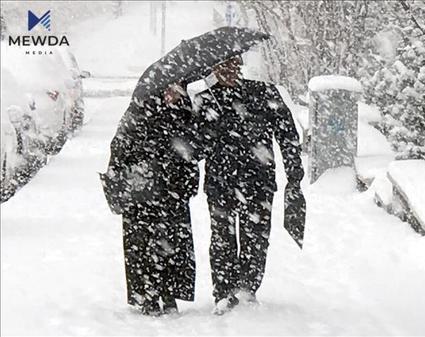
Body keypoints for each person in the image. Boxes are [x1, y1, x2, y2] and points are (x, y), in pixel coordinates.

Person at [194, 55, 304, 315]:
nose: (229, 72)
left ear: (240, 67)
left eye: (233, 66)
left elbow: (287, 133)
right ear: (213, 70)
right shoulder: (205, 99)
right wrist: (212, 126)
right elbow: (195, 147)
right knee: (222, 237)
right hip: (221, 182)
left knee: (256, 237)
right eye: (222, 67)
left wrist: (294, 175)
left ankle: (247, 287)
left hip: (258, 180)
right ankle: (223, 291)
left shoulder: (262, 92)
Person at [106, 83, 207, 316]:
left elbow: (195, 153)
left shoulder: (185, 114)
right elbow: (120, 146)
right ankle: (147, 294)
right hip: (143, 192)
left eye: (178, 90)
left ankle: (168, 292)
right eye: (169, 89)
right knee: (143, 243)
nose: (174, 94)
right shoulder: (139, 113)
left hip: (173, 191)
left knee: (172, 243)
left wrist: (187, 178)